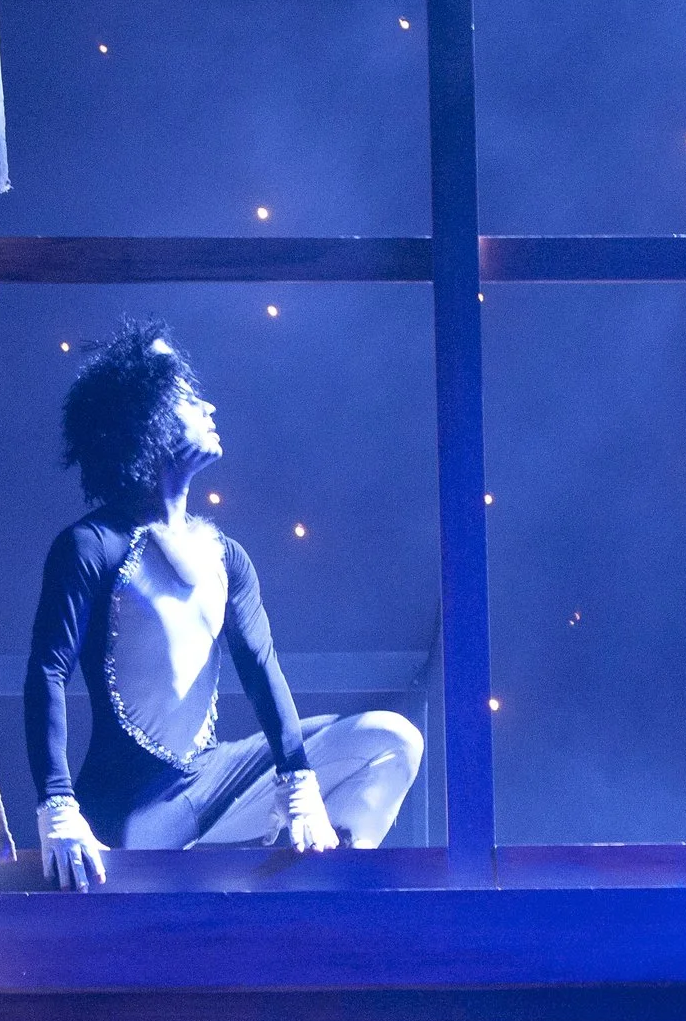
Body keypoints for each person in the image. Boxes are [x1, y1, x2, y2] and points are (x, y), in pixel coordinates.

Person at [23, 321, 424, 889]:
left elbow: (262, 671)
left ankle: (322, 890)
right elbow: (47, 672)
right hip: (130, 812)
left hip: (211, 786)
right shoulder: (91, 546)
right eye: (189, 397)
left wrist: (299, 783)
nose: (209, 406)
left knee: (392, 740)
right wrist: (58, 807)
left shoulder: (227, 557)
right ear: (149, 418)